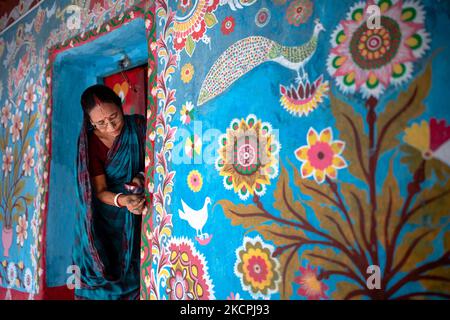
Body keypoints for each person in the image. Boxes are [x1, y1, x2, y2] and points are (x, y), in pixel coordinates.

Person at [74, 84, 146, 300]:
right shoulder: (92, 143)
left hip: (138, 212)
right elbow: (100, 191)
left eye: (114, 117)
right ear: (90, 122)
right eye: (100, 123)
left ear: (120, 106)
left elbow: (157, 158)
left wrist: (140, 177)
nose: (110, 126)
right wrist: (124, 200)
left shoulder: (139, 127)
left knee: (136, 271)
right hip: (107, 216)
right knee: (106, 267)